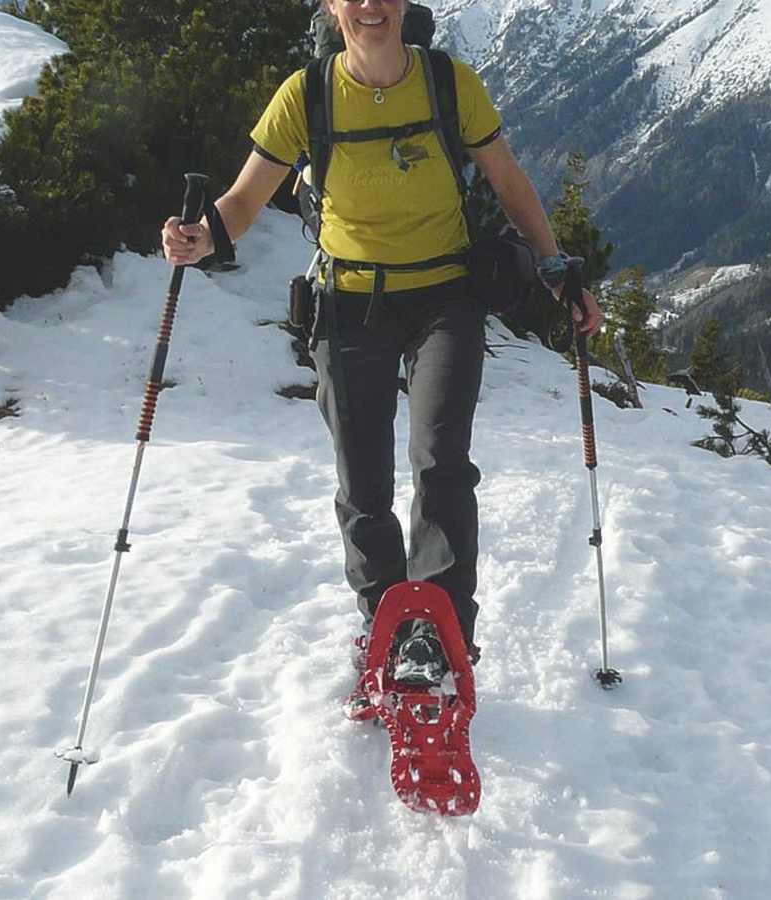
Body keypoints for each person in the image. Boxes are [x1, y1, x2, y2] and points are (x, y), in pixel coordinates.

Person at [161, 0, 601, 683]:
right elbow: (245, 201)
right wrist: (203, 237)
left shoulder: (449, 82)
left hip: (445, 297)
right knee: (363, 481)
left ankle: (438, 629)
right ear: (334, 7)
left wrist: (554, 269)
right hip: (349, 304)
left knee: (440, 458)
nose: (371, 6)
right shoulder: (304, 96)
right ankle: (384, 623)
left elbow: (508, 181)